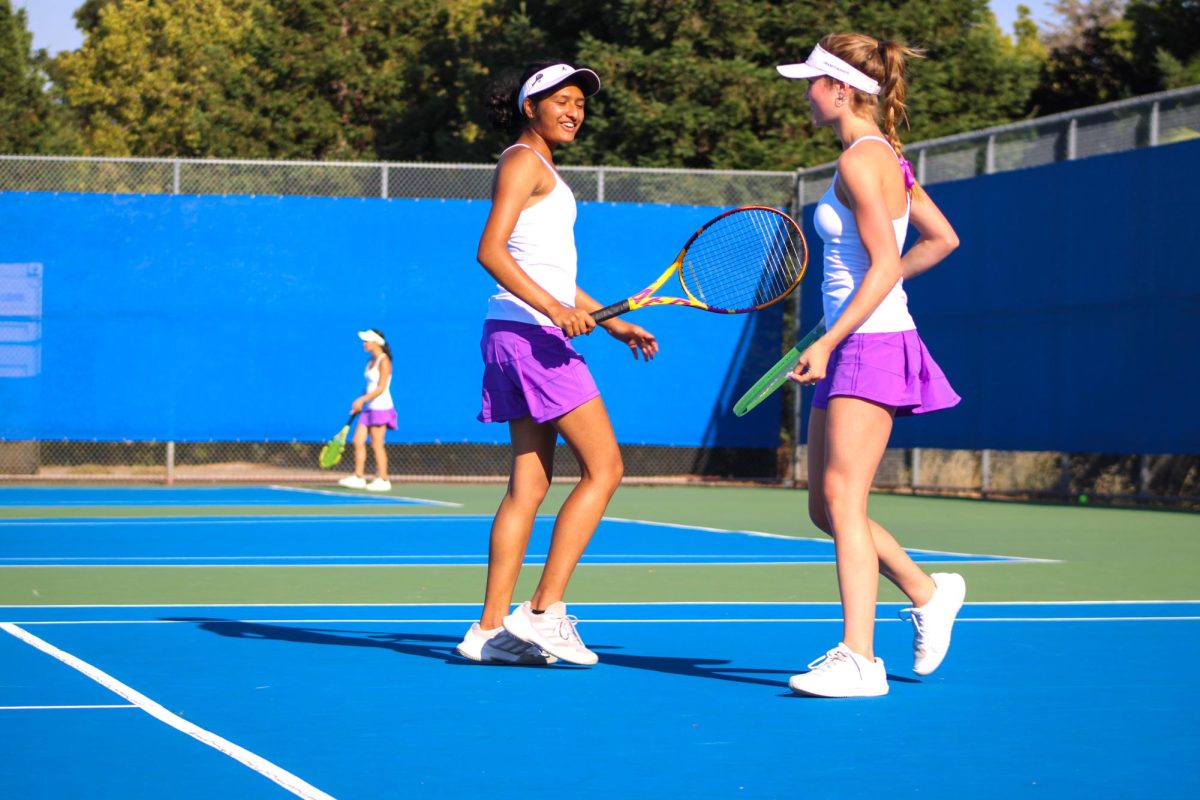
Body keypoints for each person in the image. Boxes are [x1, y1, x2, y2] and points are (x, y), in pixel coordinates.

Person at [777, 35, 966, 697]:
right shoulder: (881, 156)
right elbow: (940, 239)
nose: (806, 95)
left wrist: (831, 338)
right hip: (857, 336)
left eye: (811, 84)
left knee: (843, 500)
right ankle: (926, 591)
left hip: (871, 345)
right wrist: (842, 321)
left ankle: (860, 658)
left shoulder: (864, 161)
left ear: (839, 87)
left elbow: (886, 264)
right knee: (825, 509)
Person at [455, 61, 658, 666]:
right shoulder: (523, 161)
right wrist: (550, 309)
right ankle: (544, 612)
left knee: (530, 484)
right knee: (606, 468)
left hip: (513, 334)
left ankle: (488, 631)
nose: (574, 110)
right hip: (532, 336)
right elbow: (489, 250)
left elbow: (554, 275)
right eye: (561, 101)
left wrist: (610, 321)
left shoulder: (538, 165)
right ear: (529, 107)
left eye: (580, 102)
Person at [338, 329, 396, 492]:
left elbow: (381, 388)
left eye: (367, 341)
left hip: (381, 407)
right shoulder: (370, 361)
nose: (364, 344)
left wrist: (362, 400)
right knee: (358, 441)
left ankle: (383, 479)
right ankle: (358, 477)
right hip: (368, 408)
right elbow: (369, 386)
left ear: (376, 342)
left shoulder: (384, 361)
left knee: (377, 444)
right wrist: (360, 403)